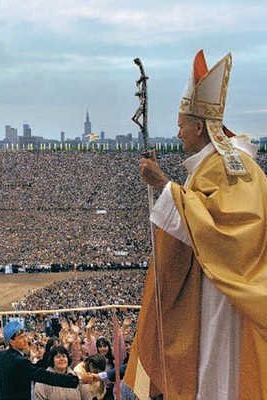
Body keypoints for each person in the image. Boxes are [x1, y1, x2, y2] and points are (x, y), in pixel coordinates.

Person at [126, 49, 267, 399]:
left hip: (227, 293)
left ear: (199, 126)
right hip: (214, 287)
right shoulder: (212, 166)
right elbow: (200, 219)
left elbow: (233, 231)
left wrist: (164, 185)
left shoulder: (235, 167)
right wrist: (168, 189)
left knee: (221, 371)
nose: (177, 134)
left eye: (181, 124)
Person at [0, 321, 97, 400]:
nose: (25, 339)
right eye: (21, 337)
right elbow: (45, 376)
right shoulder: (19, 361)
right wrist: (77, 380)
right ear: (11, 341)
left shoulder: (0, 356)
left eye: (25, 336)